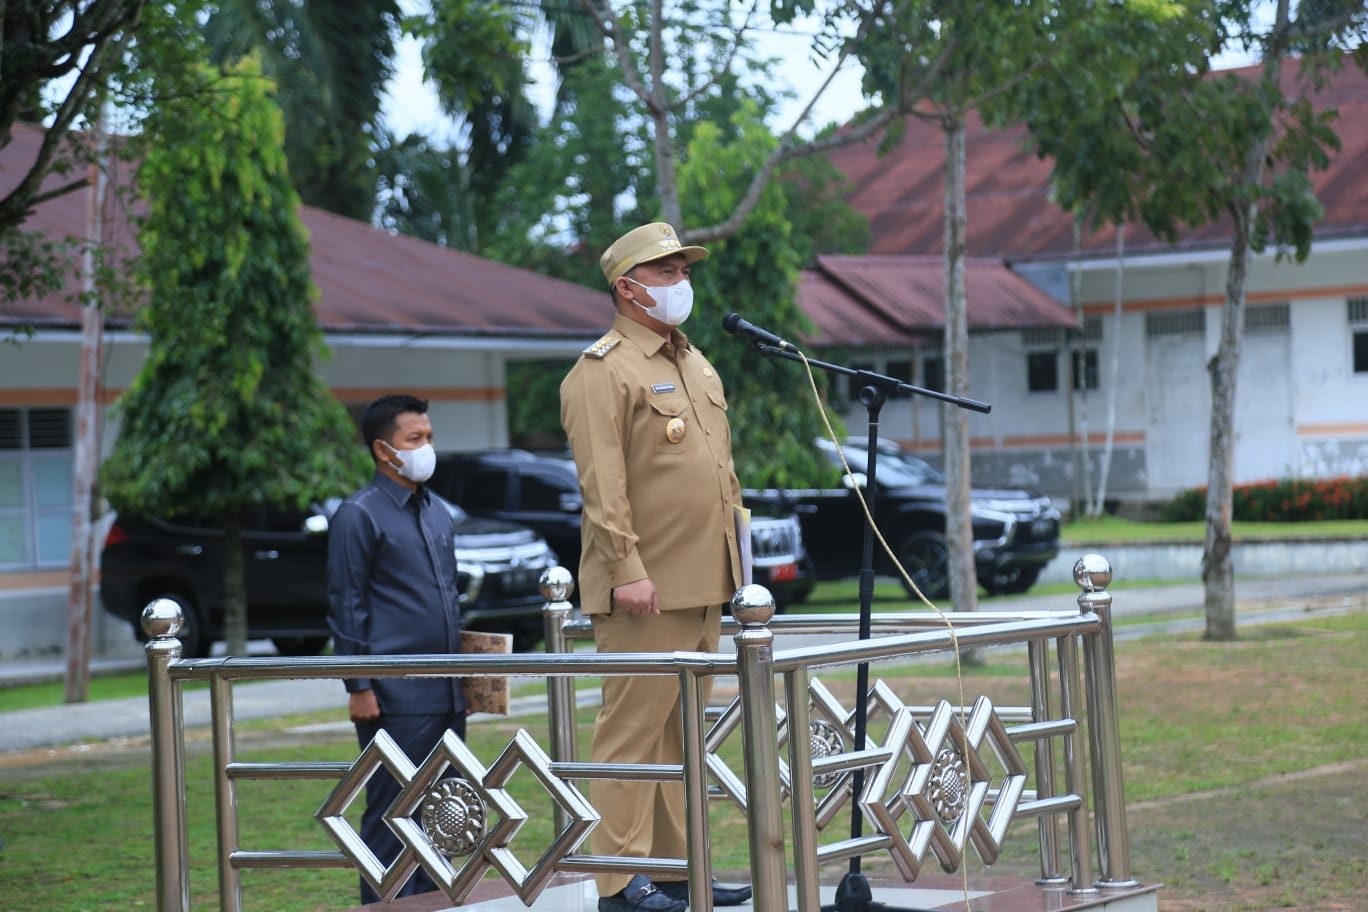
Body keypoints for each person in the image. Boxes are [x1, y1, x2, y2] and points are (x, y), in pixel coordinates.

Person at [560, 223, 753, 912]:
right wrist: (626, 567)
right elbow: (602, 485)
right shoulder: (602, 369)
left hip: (705, 581)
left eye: (681, 269)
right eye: (665, 272)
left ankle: (673, 872)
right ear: (627, 287)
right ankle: (619, 882)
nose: (679, 282)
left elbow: (721, 478)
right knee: (631, 736)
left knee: (679, 740)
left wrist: (740, 570)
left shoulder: (693, 363)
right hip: (645, 586)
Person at [326, 394, 466, 905]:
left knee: (444, 812)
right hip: (393, 697)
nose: (427, 448)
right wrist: (358, 686)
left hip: (447, 693)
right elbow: (346, 605)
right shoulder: (358, 515)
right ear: (384, 450)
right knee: (391, 813)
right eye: (415, 439)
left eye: (429, 437)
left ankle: (432, 901)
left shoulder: (437, 512)